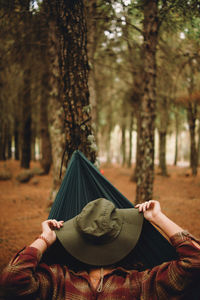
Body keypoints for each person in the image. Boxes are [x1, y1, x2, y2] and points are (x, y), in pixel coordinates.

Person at [0, 198, 200, 300]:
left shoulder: (57, 281)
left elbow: (12, 277)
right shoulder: (141, 285)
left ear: (77, 239)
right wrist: (157, 218)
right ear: (122, 239)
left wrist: (45, 239)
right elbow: (195, 259)